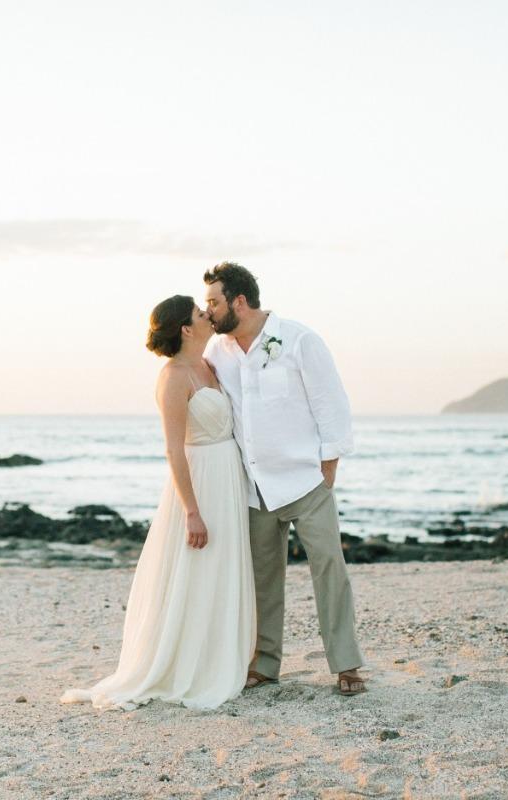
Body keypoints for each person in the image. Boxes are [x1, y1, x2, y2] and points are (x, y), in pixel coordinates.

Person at [60, 295, 256, 710]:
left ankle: (218, 657)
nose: (208, 315)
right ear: (186, 328)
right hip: (200, 481)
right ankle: (184, 667)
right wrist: (192, 511)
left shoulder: (210, 365)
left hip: (227, 477)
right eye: (200, 313)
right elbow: (174, 449)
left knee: (220, 569)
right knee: (194, 570)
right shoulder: (173, 377)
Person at [203, 262, 366, 696]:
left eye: (214, 302)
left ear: (239, 301)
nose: (209, 311)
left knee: (329, 568)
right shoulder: (217, 351)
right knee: (263, 579)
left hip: (305, 482)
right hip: (254, 486)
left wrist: (327, 468)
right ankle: (264, 664)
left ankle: (346, 664)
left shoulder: (298, 340)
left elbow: (331, 403)